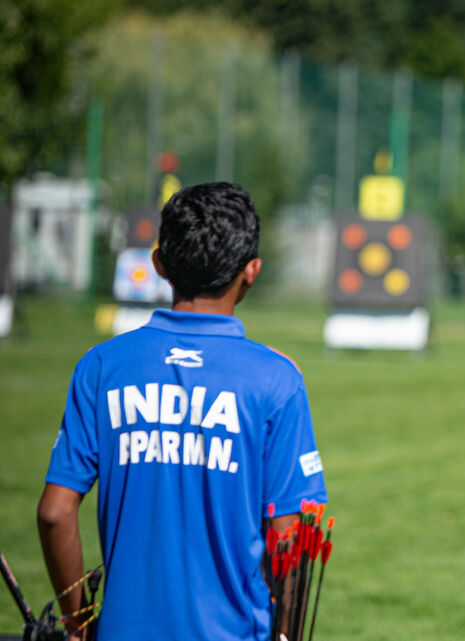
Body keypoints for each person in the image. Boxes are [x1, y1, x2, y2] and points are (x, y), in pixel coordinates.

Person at [37, 182, 328, 640]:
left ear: (157, 265)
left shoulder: (101, 366)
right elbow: (287, 537)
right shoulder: (277, 380)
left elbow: (55, 511)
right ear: (252, 271)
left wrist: (79, 621)